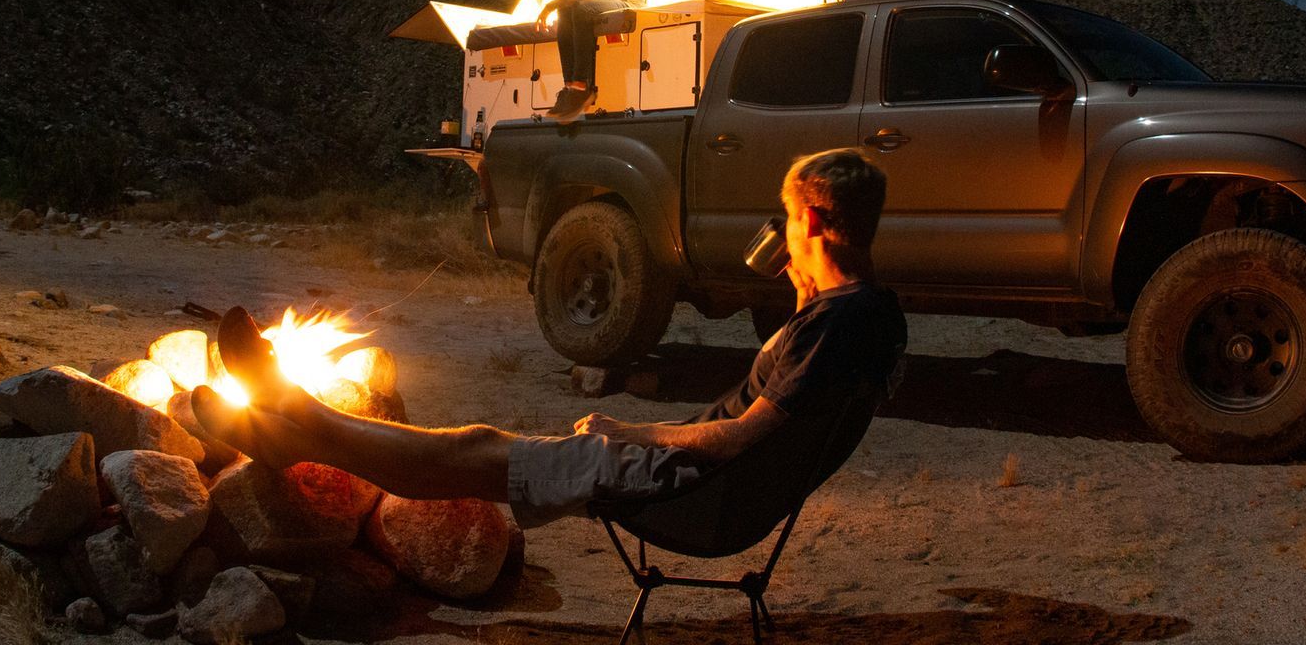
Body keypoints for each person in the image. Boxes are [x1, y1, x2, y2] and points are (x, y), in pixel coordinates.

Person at [191, 148, 907, 528]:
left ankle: (297, 424)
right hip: (717, 490)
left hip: (686, 489)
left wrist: (634, 432)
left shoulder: (834, 326)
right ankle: (296, 426)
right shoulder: (866, 315)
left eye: (787, 220)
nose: (779, 235)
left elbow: (741, 438)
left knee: (472, 454)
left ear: (811, 222)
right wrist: (807, 288)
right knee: (477, 446)